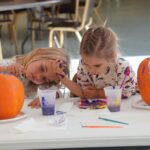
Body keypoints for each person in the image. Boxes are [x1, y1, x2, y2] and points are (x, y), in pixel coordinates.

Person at [57, 26, 136, 99]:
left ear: (112, 56)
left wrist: (99, 93)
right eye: (86, 64)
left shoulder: (123, 68)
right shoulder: (83, 65)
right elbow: (83, 93)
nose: (91, 70)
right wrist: (65, 80)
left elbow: (127, 92)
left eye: (97, 66)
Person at [0, 47, 69, 108]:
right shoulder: (10, 64)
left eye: (44, 79)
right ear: (38, 54)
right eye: (42, 68)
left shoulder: (37, 84)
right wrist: (6, 69)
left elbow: (57, 91)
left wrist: (48, 96)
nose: (38, 76)